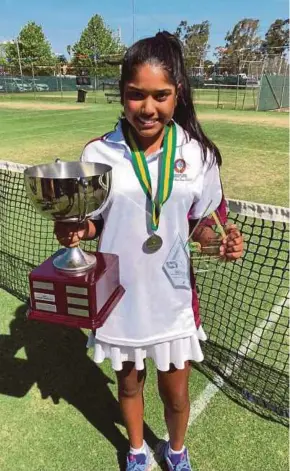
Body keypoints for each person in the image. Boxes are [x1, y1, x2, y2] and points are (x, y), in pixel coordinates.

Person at [54, 31, 243, 471]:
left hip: (173, 298)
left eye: (161, 95)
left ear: (178, 95)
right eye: (136, 95)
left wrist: (224, 242)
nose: (148, 107)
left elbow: (204, 227)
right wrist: (75, 229)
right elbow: (94, 219)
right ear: (122, 94)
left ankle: (176, 450)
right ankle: (137, 451)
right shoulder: (99, 153)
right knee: (128, 387)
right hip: (119, 296)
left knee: (176, 395)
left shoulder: (198, 155)